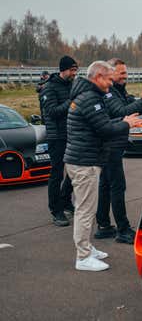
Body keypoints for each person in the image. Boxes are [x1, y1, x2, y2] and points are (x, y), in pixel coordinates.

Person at [64, 60, 142, 271]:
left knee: (87, 208)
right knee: (85, 210)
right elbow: (105, 128)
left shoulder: (91, 95)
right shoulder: (90, 98)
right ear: (98, 77)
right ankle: (82, 256)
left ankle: (88, 248)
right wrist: (127, 123)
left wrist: (124, 120)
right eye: (109, 79)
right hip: (84, 162)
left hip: (85, 160)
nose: (111, 83)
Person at [96, 58, 142, 244]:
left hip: (113, 144)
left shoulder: (119, 91)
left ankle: (104, 225)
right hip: (110, 145)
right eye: (121, 73)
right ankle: (122, 230)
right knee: (117, 186)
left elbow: (133, 106)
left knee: (106, 185)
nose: (125, 76)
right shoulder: (108, 93)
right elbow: (121, 111)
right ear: (110, 73)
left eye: (126, 72)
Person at [40, 55, 78, 227]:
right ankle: (56, 210)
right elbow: (53, 112)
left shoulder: (72, 85)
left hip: (71, 134)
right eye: (72, 70)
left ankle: (65, 200)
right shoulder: (48, 88)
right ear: (63, 70)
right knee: (57, 174)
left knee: (73, 171)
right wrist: (71, 102)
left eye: (75, 70)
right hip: (56, 137)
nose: (74, 74)